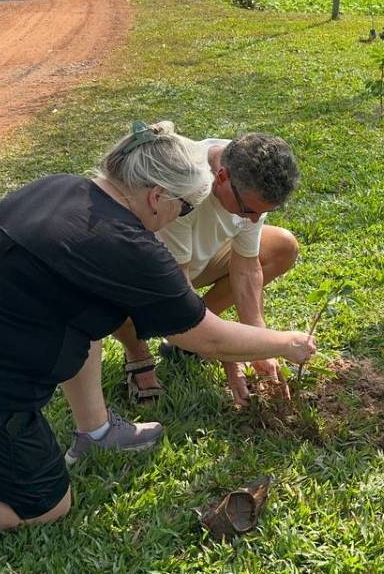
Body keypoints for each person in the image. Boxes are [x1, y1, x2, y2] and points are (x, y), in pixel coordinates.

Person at [0, 121, 316, 569]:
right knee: (44, 503)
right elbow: (202, 335)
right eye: (183, 206)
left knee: (85, 315)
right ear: (158, 197)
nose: (181, 215)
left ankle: (94, 431)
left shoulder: (59, 188)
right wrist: (285, 342)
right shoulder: (128, 246)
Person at [114, 132, 301, 406]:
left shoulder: (249, 178)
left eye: (263, 211)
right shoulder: (181, 189)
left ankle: (189, 337)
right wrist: (228, 350)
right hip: (147, 269)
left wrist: (259, 341)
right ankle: (138, 352)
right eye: (249, 210)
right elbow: (175, 285)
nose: (255, 219)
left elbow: (246, 268)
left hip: (197, 258)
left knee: (281, 246)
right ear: (221, 177)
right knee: (120, 296)